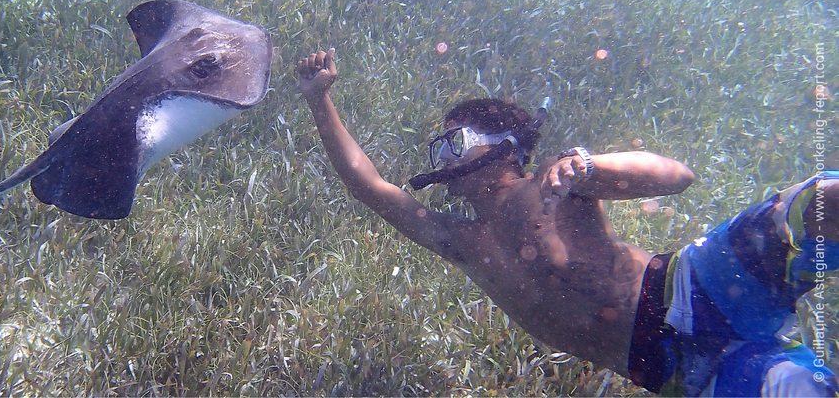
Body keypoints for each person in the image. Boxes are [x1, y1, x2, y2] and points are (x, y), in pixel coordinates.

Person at [295, 48, 839, 396]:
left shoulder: (555, 183)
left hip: (693, 286)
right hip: (671, 371)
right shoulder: (462, 241)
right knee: (790, 390)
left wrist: (588, 167)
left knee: (816, 205)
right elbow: (368, 186)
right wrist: (321, 101)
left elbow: (676, 176)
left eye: (452, 143)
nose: (439, 161)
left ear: (501, 147)